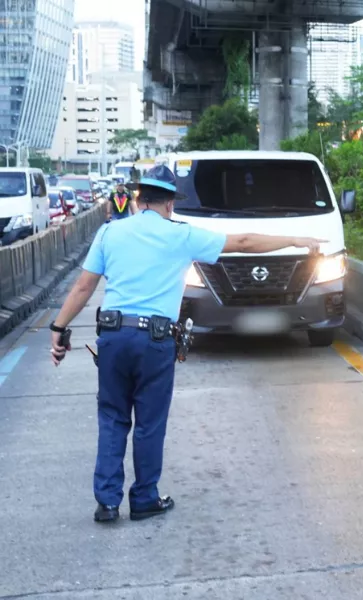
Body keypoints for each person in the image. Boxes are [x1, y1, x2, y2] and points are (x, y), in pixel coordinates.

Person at [49, 165, 326, 523]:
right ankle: (145, 498)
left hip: (114, 338)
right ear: (169, 204)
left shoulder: (109, 232)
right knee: (149, 422)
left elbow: (83, 288)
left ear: (138, 199)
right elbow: (242, 243)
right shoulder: (181, 235)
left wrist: (59, 327)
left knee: (113, 418)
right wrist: (297, 241)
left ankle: (107, 503)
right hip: (155, 341)